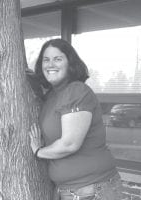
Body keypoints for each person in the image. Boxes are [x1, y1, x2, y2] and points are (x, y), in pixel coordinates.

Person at [28, 39, 124, 200]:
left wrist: (39, 152)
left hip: (93, 189)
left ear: (70, 63)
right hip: (70, 191)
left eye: (58, 59)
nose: (50, 64)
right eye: (46, 60)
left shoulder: (77, 91)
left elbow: (70, 144)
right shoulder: (52, 96)